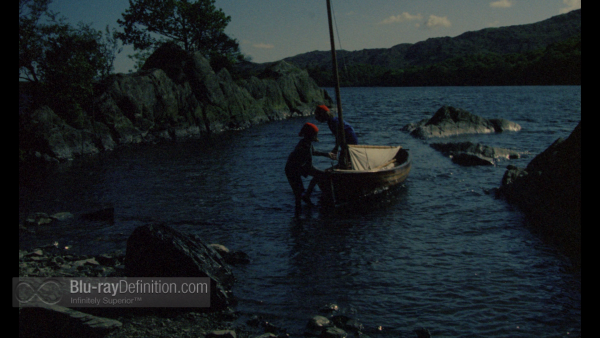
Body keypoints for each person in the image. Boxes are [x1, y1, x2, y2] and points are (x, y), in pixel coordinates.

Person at [302, 104, 359, 199]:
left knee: (344, 164)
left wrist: (336, 148)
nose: (317, 119)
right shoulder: (331, 122)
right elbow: (338, 136)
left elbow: (340, 135)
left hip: (350, 143)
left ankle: (345, 184)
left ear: (324, 114)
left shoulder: (334, 122)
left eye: (318, 116)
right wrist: (336, 148)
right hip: (346, 143)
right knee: (343, 164)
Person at [285, 122, 334, 209]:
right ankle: (299, 211)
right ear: (310, 135)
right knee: (298, 194)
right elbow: (309, 167)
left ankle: (306, 199)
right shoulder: (305, 147)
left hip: (296, 167)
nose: (316, 136)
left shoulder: (306, 142)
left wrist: (327, 154)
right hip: (292, 170)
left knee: (301, 191)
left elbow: (314, 152)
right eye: (315, 134)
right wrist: (321, 172)